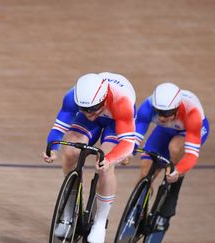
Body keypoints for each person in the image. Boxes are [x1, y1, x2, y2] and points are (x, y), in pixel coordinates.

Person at [44, 72, 136, 242]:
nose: (89, 113)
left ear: (103, 99)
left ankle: (100, 222)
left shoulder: (121, 102)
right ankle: (68, 210)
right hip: (95, 120)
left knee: (105, 164)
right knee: (71, 151)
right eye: (83, 109)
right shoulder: (73, 97)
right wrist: (53, 148)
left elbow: (128, 144)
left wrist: (110, 159)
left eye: (93, 109)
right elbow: (59, 127)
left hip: (115, 122)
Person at [134, 82, 209, 230]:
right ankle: (139, 210)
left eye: (167, 113)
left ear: (177, 108)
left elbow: (192, 154)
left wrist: (179, 170)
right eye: (159, 112)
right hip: (166, 130)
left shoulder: (192, 112)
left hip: (190, 131)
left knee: (175, 148)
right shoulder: (148, 106)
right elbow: (136, 133)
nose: (161, 117)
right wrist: (130, 149)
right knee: (145, 172)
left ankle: (172, 188)